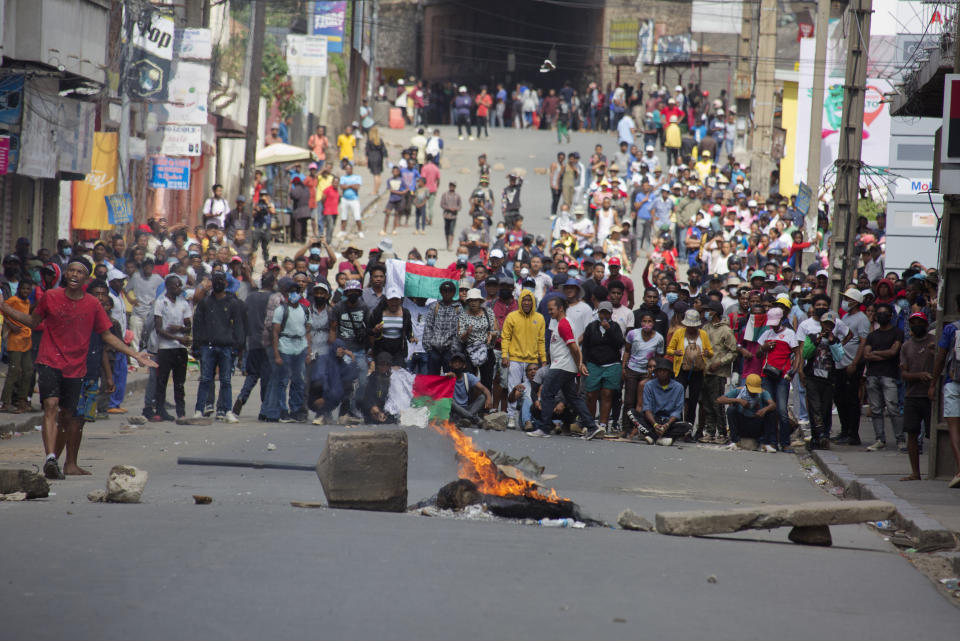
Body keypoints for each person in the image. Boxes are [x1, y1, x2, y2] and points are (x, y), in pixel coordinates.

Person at [0, 258, 156, 479]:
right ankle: (50, 458)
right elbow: (33, 321)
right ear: (65, 274)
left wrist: (135, 354)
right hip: (49, 360)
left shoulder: (92, 304)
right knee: (50, 405)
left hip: (75, 368)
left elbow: (107, 335)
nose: (74, 274)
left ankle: (61, 460)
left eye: (79, 271)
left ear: (86, 277)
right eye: (70, 270)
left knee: (66, 415)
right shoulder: (51, 297)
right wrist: (4, 307)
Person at [528, 297, 599, 439]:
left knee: (547, 393)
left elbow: (573, 346)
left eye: (551, 309)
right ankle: (592, 426)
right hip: (566, 366)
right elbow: (575, 346)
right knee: (573, 397)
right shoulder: (562, 323)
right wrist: (579, 364)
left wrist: (579, 364)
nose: (549, 312)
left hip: (561, 366)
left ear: (560, 308)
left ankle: (544, 428)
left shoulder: (563, 324)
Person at [191, 272, 244, 423]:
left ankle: (227, 410)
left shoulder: (232, 303)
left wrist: (238, 346)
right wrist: (196, 345)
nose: (219, 283)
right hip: (208, 346)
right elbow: (198, 324)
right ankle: (199, 410)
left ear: (226, 284)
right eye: (216, 280)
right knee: (206, 379)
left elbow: (238, 325)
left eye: (222, 280)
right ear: (212, 283)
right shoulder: (205, 302)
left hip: (226, 347)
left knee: (226, 380)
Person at [264, 277, 312, 423]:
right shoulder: (281, 310)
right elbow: (275, 333)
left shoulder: (305, 310)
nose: (294, 294)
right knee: (283, 381)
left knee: (299, 381)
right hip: (285, 347)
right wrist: (277, 354)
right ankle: (283, 410)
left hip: (300, 347)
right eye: (291, 292)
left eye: (297, 291)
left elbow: (308, 331)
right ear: (287, 294)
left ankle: (296, 410)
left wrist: (309, 351)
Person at [861, 301, 905, 452]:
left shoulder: (897, 333)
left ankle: (900, 439)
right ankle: (880, 439)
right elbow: (866, 354)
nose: (880, 316)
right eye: (878, 313)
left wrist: (876, 353)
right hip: (873, 375)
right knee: (876, 409)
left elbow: (894, 352)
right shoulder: (872, 335)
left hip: (889, 375)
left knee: (893, 408)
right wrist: (884, 354)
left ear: (890, 316)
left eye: (883, 314)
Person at [756, 305, 801, 452]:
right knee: (770, 409)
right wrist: (764, 348)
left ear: (781, 320)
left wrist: (792, 372)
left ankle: (785, 442)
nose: (773, 326)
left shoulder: (789, 334)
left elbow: (797, 354)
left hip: (782, 376)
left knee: (782, 409)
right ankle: (772, 441)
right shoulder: (767, 334)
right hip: (767, 375)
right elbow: (757, 354)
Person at [799, 310, 845, 450]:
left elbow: (839, 357)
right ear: (821, 324)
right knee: (815, 408)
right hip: (813, 377)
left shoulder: (835, 340)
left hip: (828, 379)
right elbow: (805, 354)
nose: (827, 327)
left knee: (825, 409)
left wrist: (832, 342)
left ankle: (823, 435)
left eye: (830, 324)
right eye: (825, 324)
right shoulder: (812, 337)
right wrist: (816, 341)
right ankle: (818, 436)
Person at [151, 274, 192, 422]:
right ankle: (160, 410)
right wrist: (178, 337)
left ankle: (181, 411)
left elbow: (188, 326)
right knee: (162, 381)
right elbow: (159, 329)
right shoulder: (161, 302)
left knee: (179, 382)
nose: (179, 288)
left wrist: (180, 329)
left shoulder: (184, 304)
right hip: (165, 347)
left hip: (180, 349)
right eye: (177, 285)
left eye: (180, 285)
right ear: (169, 286)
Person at [234, 272, 275, 418]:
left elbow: (244, 317)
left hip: (253, 342)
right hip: (269, 343)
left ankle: (241, 398)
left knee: (252, 374)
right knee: (266, 377)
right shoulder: (273, 298)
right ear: (273, 283)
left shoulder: (250, 297)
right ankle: (264, 410)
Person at [929, 296, 960, 488]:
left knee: (954, 429)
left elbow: (940, 359)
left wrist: (933, 383)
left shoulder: (950, 329)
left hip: (953, 382)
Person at [626, 357, 694, 445]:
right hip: (653, 419)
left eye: (665, 371)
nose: (662, 373)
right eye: (659, 371)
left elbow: (677, 410)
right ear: (656, 373)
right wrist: (655, 424)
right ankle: (660, 437)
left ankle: (652, 436)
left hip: (669, 421)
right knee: (631, 413)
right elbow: (647, 408)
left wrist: (667, 425)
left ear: (670, 373)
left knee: (688, 426)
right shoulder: (649, 385)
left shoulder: (679, 387)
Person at [582, 302, 625, 433]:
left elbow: (619, 344)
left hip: (611, 364)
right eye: (602, 312)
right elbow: (585, 346)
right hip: (594, 364)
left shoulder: (615, 326)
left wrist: (609, 330)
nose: (604, 315)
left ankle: (603, 424)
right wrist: (583, 363)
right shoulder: (591, 327)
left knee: (607, 394)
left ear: (611, 314)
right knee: (590, 395)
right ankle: (590, 424)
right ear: (598, 313)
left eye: (607, 313)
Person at [834, 288, 869, 445]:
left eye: (848, 299)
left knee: (852, 399)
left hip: (851, 364)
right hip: (840, 363)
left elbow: (863, 341)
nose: (845, 302)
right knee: (840, 398)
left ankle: (853, 433)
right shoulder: (846, 316)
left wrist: (855, 362)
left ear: (855, 302)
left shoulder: (862, 319)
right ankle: (844, 430)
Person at [666, 309, 714, 425]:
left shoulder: (702, 334)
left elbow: (711, 352)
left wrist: (707, 353)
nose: (692, 328)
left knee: (693, 401)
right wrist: (675, 352)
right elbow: (669, 349)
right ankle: (677, 424)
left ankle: (689, 426)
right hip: (682, 370)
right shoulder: (679, 333)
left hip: (697, 372)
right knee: (678, 399)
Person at [701, 300, 737, 443]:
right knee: (707, 404)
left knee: (717, 403)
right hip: (705, 371)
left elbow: (733, 352)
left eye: (707, 310)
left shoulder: (725, 330)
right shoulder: (705, 327)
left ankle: (722, 433)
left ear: (714, 312)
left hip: (718, 373)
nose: (705, 313)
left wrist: (719, 362)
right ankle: (710, 432)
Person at [716, 374, 776, 450]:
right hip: (742, 424)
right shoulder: (739, 390)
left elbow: (773, 405)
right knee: (731, 410)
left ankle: (765, 442)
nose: (753, 393)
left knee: (771, 413)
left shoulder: (763, 393)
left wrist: (765, 409)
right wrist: (738, 400)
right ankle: (735, 441)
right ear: (746, 386)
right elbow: (719, 400)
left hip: (756, 424)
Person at [0, 279, 33, 413]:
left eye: (28, 289)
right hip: (15, 341)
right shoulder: (13, 300)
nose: (25, 291)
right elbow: (2, 309)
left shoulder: (27, 302)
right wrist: (11, 325)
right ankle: (5, 402)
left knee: (28, 371)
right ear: (19, 289)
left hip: (26, 340)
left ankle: (21, 401)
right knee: (13, 371)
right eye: (23, 288)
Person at [125, 259, 164, 356]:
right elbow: (125, 290)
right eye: (146, 266)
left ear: (153, 268)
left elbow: (164, 291)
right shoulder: (136, 277)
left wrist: (156, 300)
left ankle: (149, 359)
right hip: (137, 311)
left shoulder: (158, 279)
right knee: (135, 337)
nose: (148, 268)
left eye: (150, 266)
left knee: (151, 338)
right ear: (143, 268)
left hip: (151, 312)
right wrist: (131, 300)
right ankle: (134, 361)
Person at [369, 287, 412, 366]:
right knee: (384, 368)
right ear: (386, 300)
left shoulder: (405, 312)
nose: (394, 302)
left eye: (396, 299)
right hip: (382, 345)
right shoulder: (378, 312)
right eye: (391, 300)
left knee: (398, 370)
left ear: (400, 300)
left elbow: (408, 329)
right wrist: (375, 330)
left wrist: (411, 337)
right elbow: (369, 331)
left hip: (398, 347)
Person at [449, 351, 493, 428]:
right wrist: (446, 377)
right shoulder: (447, 376)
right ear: (451, 364)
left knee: (483, 397)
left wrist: (489, 397)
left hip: (467, 408)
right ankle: (474, 419)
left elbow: (484, 389)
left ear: (464, 365)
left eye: (459, 362)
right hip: (454, 411)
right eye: (455, 362)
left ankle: (465, 418)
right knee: (450, 401)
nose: (457, 364)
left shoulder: (468, 376)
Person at [362, 352, 398, 424]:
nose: (384, 367)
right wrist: (375, 409)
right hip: (374, 408)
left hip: (387, 409)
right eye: (381, 364)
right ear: (377, 365)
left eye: (387, 365)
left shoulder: (393, 378)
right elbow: (368, 396)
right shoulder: (372, 378)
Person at [338, 162, 364, 238]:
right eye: (347, 169)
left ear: (352, 169)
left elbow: (357, 187)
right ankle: (342, 231)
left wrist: (347, 186)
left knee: (357, 216)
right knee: (344, 216)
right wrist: (351, 185)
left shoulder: (357, 177)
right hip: (345, 199)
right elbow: (342, 187)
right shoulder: (343, 178)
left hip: (354, 199)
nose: (348, 170)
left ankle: (360, 231)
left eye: (349, 169)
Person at [440, 181, 462, 251]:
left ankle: (450, 245)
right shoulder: (445, 194)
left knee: (452, 230)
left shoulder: (457, 195)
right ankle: (447, 243)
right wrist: (449, 208)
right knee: (447, 230)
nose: (452, 187)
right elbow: (442, 204)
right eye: (451, 185)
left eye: (453, 186)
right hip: (446, 215)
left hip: (453, 215)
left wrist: (456, 209)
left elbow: (460, 205)